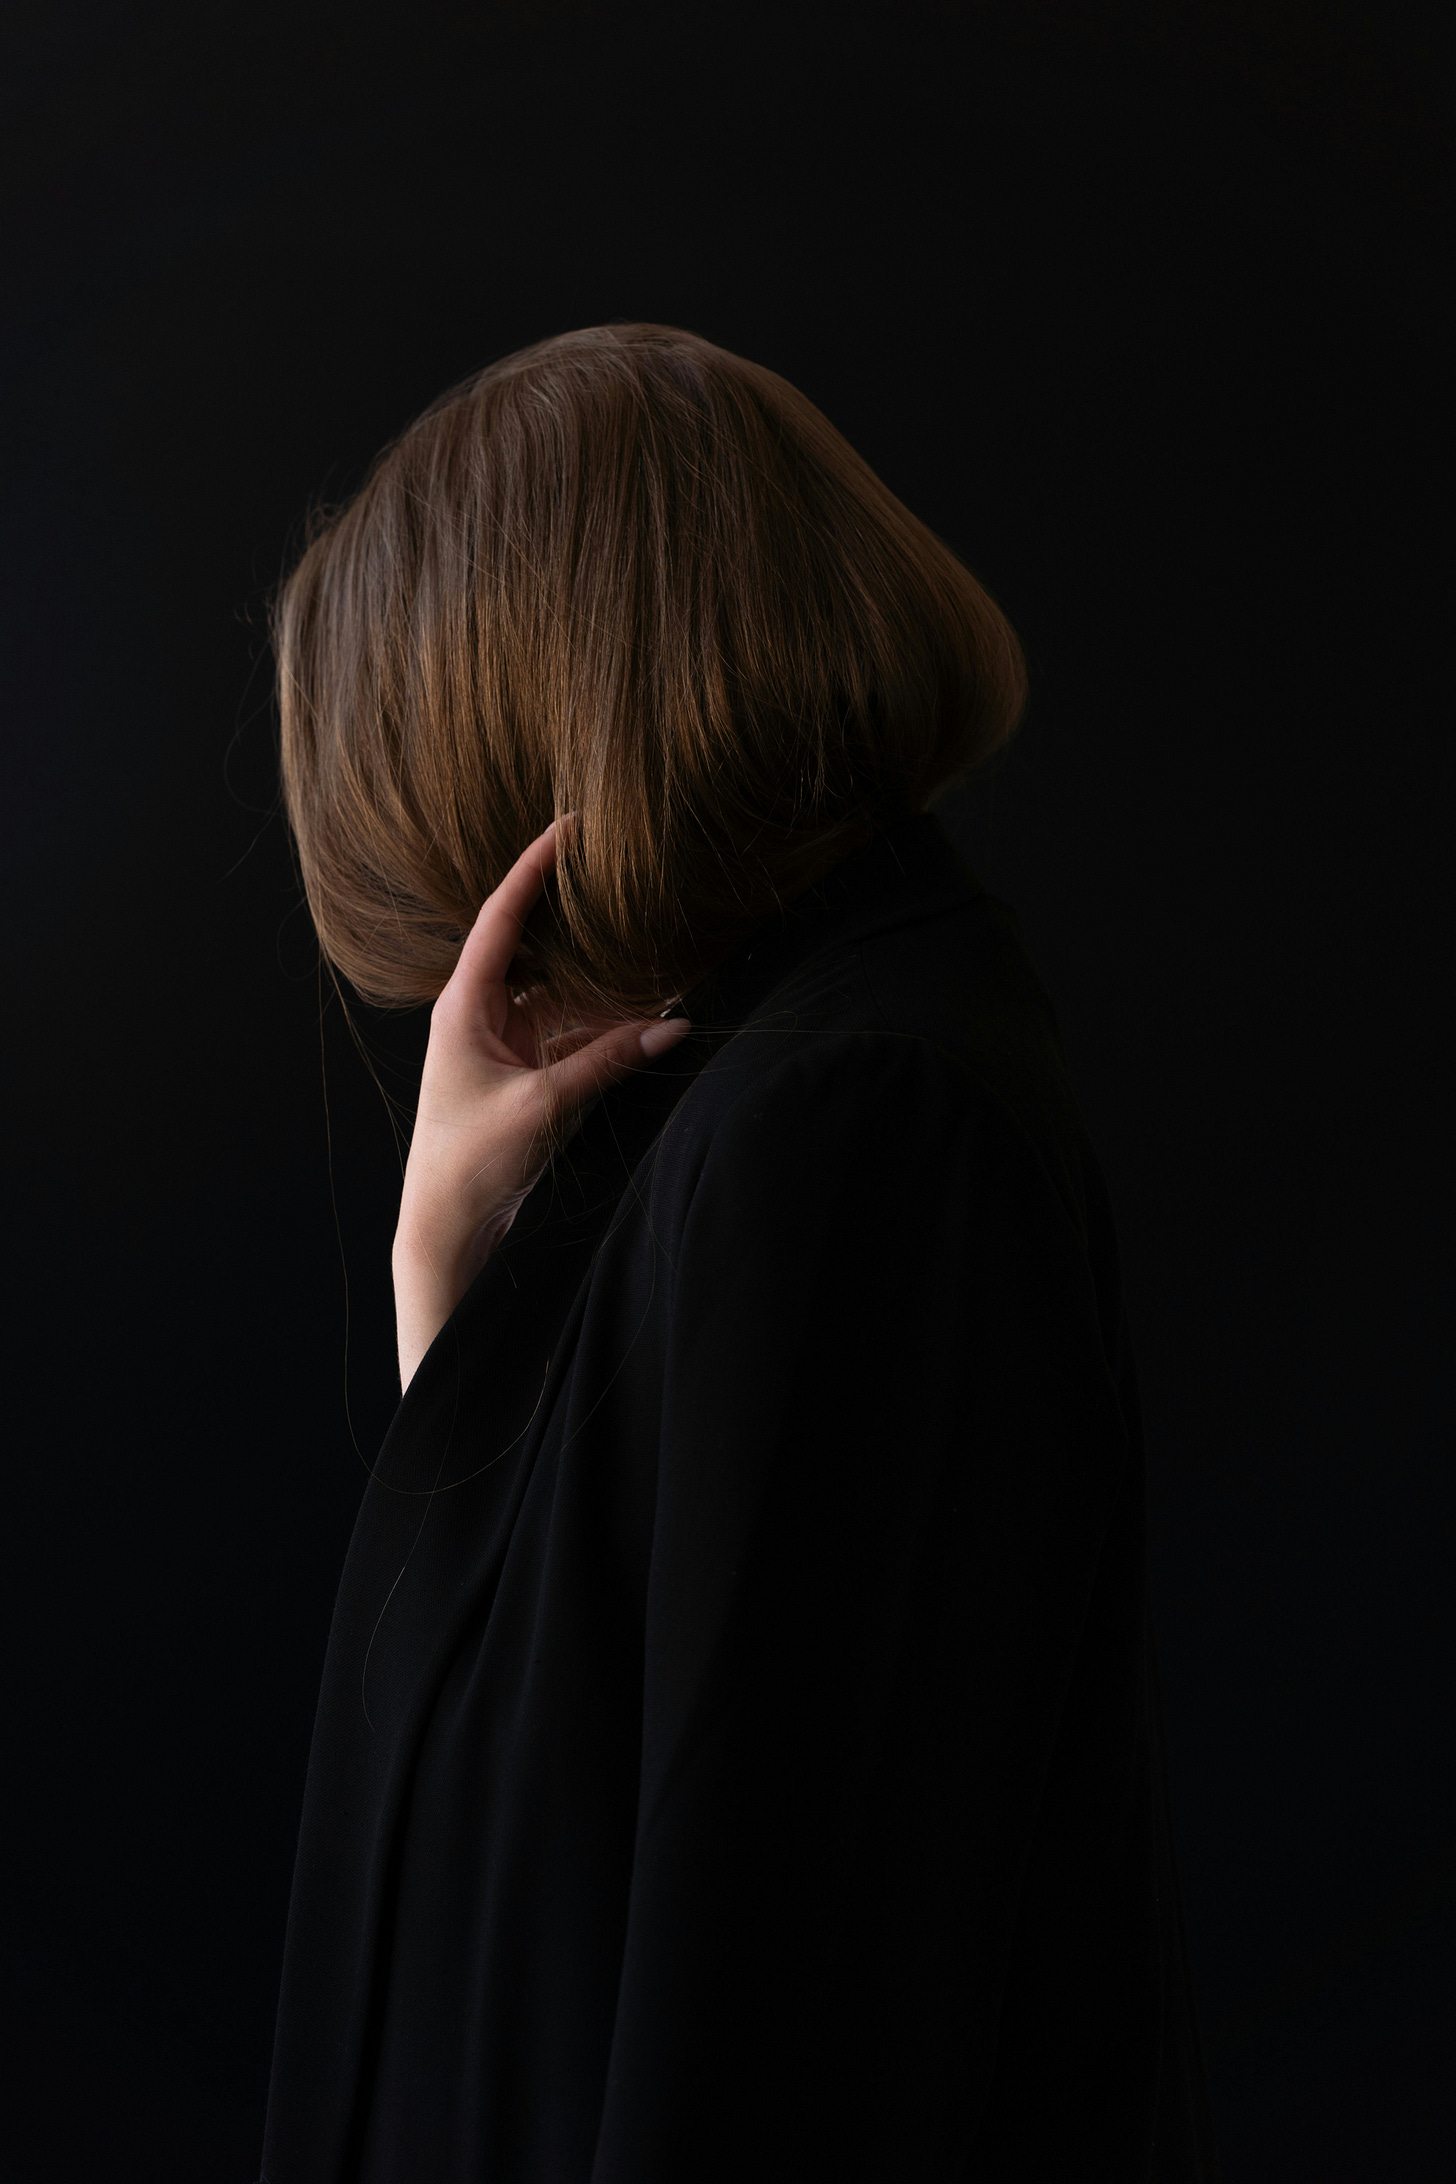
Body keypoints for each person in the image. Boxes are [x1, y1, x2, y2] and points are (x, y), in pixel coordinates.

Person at [261, 323, 1218, 2181]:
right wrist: (452, 1293)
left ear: (531, 759)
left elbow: (763, 1989)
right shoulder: (787, 1101)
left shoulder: (843, 1121)